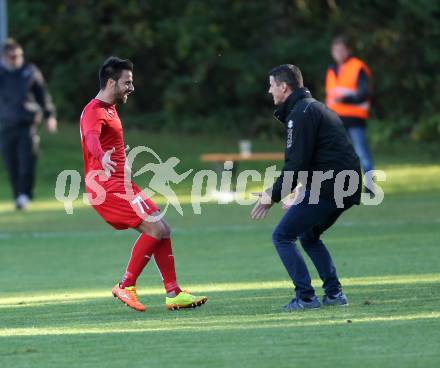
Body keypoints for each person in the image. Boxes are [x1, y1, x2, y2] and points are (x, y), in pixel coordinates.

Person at [79, 56, 207, 312]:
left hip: (120, 183)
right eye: (127, 82)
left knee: (163, 228)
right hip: (106, 188)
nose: (131, 87)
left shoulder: (110, 108)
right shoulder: (94, 110)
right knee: (155, 230)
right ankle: (125, 285)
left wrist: (118, 161)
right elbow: (92, 138)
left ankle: (173, 293)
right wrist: (100, 156)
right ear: (111, 82)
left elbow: (104, 142)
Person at [251, 64, 362, 311]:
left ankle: (306, 297)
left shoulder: (301, 114)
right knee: (308, 235)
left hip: (331, 186)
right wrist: (302, 192)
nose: (269, 91)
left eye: (271, 85)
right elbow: (320, 158)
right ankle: (334, 293)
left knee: (282, 236)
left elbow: (296, 163)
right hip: (346, 185)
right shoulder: (314, 108)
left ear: (284, 86)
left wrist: (273, 195)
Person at [0, 38, 57, 209]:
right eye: (11, 57)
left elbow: (43, 96)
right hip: (6, 125)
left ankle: (26, 195)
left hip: (27, 124)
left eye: (18, 56)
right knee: (11, 164)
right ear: (4, 57)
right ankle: (18, 195)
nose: (15, 59)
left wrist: (49, 116)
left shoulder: (30, 71)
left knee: (27, 162)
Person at [325, 35, 374, 189]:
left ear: (349, 50)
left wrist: (345, 100)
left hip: (354, 118)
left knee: (361, 153)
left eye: (341, 50)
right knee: (339, 154)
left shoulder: (358, 67)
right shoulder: (332, 69)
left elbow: (365, 93)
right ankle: (344, 186)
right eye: (335, 50)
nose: (338, 53)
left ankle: (370, 186)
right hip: (335, 119)